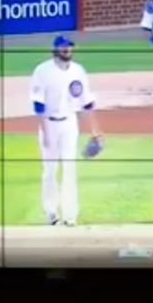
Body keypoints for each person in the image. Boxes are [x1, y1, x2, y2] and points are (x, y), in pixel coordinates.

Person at [29, 35, 103, 227]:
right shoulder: (43, 71)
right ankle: (51, 212)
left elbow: (87, 103)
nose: (67, 50)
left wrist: (95, 131)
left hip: (69, 123)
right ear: (55, 50)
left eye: (69, 46)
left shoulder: (78, 71)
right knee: (50, 170)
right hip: (49, 123)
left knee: (69, 167)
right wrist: (45, 133)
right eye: (63, 47)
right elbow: (38, 105)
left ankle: (70, 215)